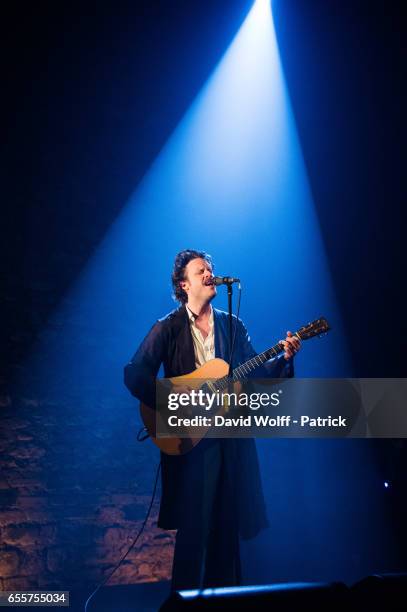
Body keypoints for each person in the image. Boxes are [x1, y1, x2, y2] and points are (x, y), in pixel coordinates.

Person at [124, 249, 301, 590]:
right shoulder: (167, 328)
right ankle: (184, 604)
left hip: (230, 437)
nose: (209, 274)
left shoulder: (231, 325)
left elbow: (256, 375)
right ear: (184, 284)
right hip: (190, 442)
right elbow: (134, 374)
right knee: (195, 529)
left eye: (211, 269)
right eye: (201, 270)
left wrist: (284, 359)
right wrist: (170, 397)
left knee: (226, 525)